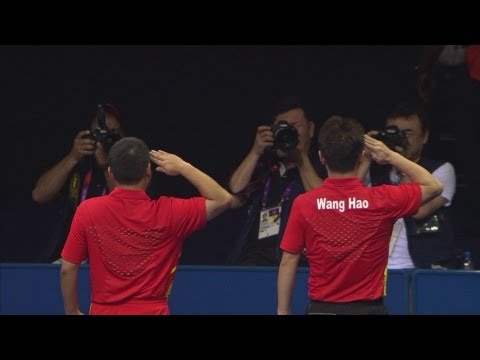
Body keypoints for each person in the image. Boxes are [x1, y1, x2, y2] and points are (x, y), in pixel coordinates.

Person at [277, 116, 442, 315]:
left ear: (322, 157)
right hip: (370, 310)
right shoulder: (383, 199)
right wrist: (390, 156)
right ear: (360, 156)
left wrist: (283, 312)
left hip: (322, 309)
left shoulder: (305, 204)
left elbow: (288, 261)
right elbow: (434, 186)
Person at [60, 137, 232, 315]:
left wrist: (72, 311)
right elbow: (223, 199)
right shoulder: (171, 212)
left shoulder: (88, 210)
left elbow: (68, 268)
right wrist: (183, 167)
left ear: (110, 172)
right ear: (148, 171)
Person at [226, 97, 324, 266]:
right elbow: (236, 188)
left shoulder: (321, 164)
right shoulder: (266, 168)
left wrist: (300, 158)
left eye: (295, 127)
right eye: (283, 127)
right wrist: (255, 151)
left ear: (311, 129)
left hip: (299, 262)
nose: (289, 132)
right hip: (255, 260)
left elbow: (324, 201)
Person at [368, 102, 457, 269]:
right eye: (394, 133)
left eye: (407, 133)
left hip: (420, 267)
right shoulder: (377, 171)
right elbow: (348, 200)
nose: (400, 139)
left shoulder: (440, 170)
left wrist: (400, 160)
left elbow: (417, 210)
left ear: (424, 136)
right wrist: (365, 153)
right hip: (378, 267)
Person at [32, 104, 124, 263]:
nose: (104, 139)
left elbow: (127, 206)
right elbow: (39, 195)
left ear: (123, 136)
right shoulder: (79, 165)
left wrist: (106, 166)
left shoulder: (132, 166)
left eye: (112, 133)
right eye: (98, 134)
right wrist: (73, 157)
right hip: (71, 255)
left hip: (113, 257)